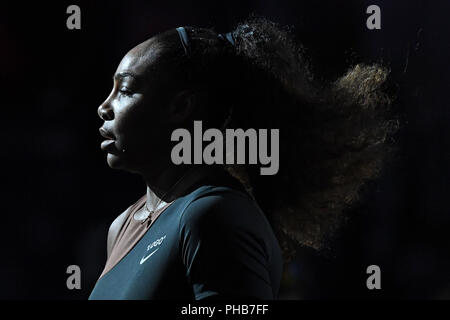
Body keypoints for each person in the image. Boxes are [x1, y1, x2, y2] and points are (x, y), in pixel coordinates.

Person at [89, 16, 398, 300]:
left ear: (181, 107)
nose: (104, 106)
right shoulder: (121, 226)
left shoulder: (213, 216)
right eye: (112, 89)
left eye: (126, 90)